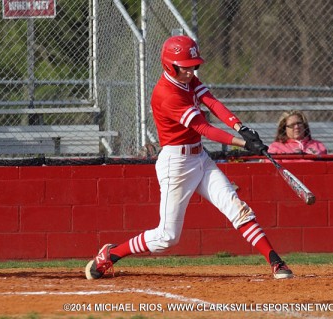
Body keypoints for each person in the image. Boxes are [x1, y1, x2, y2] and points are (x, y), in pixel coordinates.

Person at [85, 35, 293, 280]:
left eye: (195, 65)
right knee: (167, 237)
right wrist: (243, 144)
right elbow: (204, 128)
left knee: (236, 206)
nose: (192, 70)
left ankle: (275, 261)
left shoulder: (188, 79)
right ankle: (111, 254)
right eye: (186, 66)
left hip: (200, 157)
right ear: (169, 65)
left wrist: (240, 127)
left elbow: (211, 102)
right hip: (177, 164)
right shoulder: (167, 94)